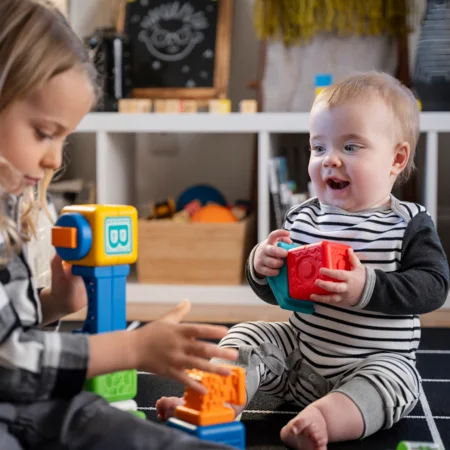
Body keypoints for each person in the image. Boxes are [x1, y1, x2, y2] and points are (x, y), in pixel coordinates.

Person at [157, 71, 450, 449]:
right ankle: (211, 402)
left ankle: (323, 420)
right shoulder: (304, 217)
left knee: (396, 381)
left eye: (351, 147)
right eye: (319, 147)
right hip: (300, 357)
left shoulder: (407, 222)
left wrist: (367, 286)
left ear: (396, 158)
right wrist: (262, 267)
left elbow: (434, 287)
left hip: (373, 361)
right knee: (248, 334)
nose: (330, 160)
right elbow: (279, 294)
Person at [0, 1, 239, 449]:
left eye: (64, 138)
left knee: (101, 420)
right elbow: (9, 360)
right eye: (43, 132)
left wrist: (52, 303)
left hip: (26, 403)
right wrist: (134, 349)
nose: (55, 158)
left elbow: (6, 326)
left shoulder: (8, 202)